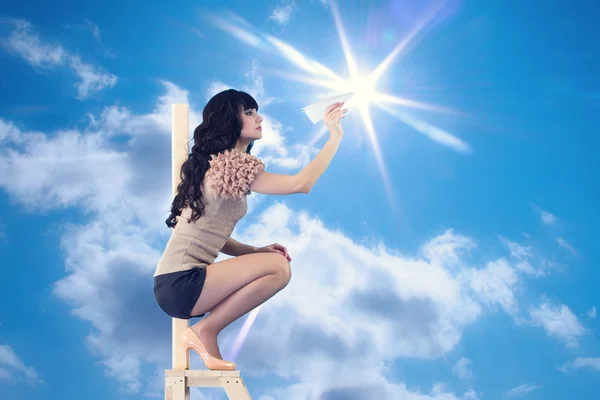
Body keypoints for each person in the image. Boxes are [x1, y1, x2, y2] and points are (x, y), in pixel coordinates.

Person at [153, 89, 348, 370]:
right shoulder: (231, 164)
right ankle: (205, 331)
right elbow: (300, 184)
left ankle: (205, 331)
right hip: (182, 283)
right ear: (228, 120)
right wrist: (335, 135)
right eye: (249, 112)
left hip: (174, 284)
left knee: (273, 262)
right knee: (278, 267)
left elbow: (211, 234)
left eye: (256, 111)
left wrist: (255, 251)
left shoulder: (213, 166)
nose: (259, 118)